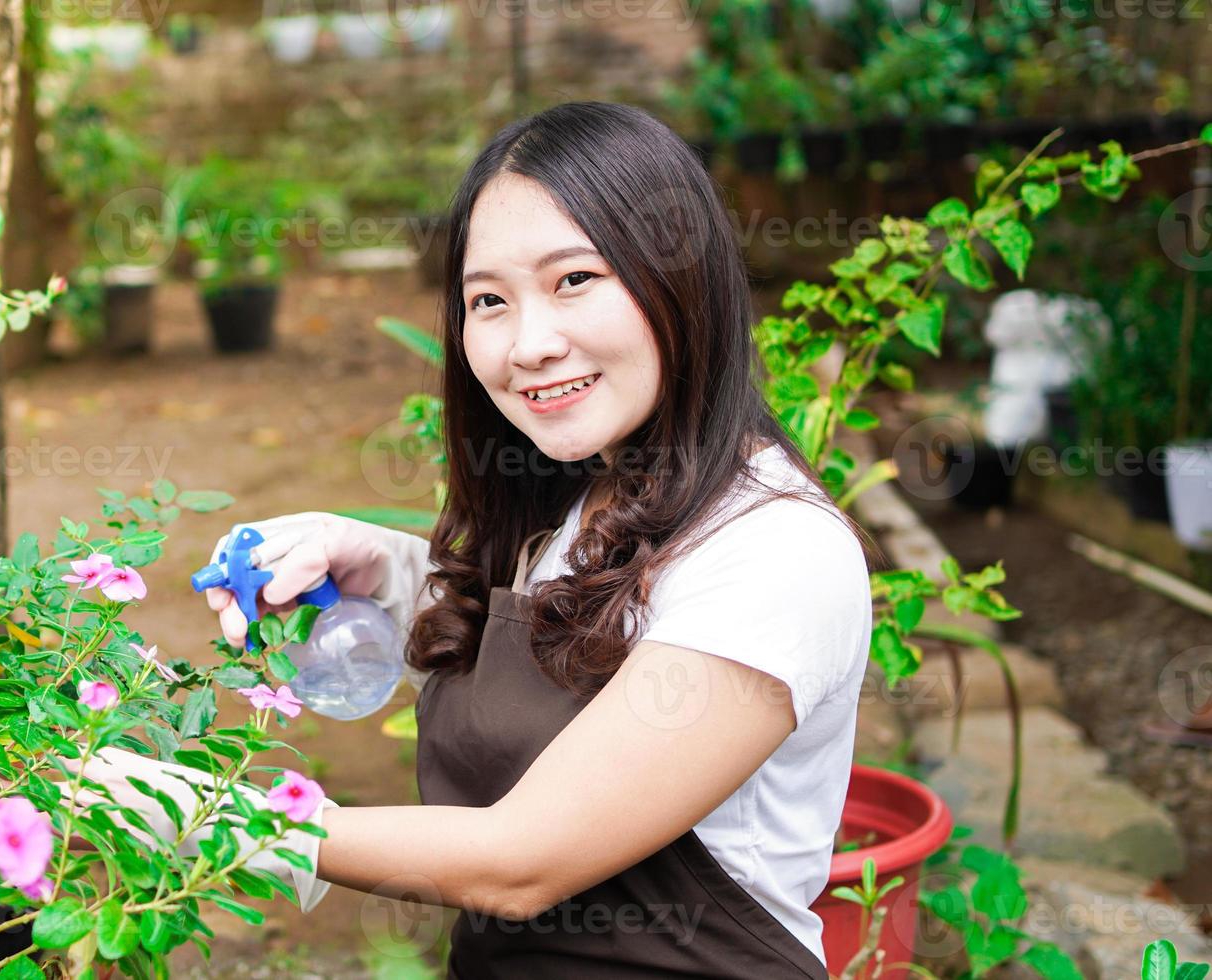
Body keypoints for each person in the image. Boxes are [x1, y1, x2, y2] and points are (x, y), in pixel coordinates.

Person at [83, 101, 873, 978]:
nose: (530, 344)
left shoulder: (774, 550)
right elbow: (563, 643)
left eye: (575, 279)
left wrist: (193, 812)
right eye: (488, 300)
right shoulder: (584, 489)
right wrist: (381, 566)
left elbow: (520, 859)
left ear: (680, 279)